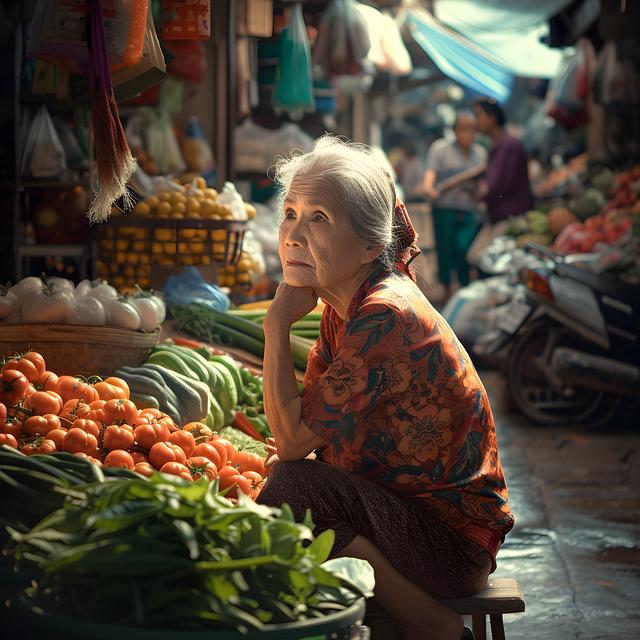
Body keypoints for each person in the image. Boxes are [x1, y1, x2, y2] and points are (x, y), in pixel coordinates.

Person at [258, 136, 514, 640]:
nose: (292, 234)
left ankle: (428, 622)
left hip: (450, 546)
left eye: (319, 218)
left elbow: (291, 438)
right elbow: (308, 426)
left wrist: (275, 325)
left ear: (373, 244)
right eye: (289, 213)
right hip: (412, 522)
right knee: (289, 482)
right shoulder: (344, 309)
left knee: (291, 487)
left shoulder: (384, 314)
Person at [422, 112, 487, 296]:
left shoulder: (480, 153)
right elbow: (430, 176)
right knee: (445, 249)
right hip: (444, 208)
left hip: (468, 209)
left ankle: (465, 286)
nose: (468, 133)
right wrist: (429, 189)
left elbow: (483, 186)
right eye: (464, 128)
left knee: (463, 247)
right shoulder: (440, 149)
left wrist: (479, 192)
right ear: (455, 130)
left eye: (472, 129)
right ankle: (447, 290)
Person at [467, 98, 534, 266]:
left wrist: (479, 193)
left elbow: (496, 186)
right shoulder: (498, 147)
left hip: (511, 218)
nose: (476, 122)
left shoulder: (510, 146)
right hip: (497, 217)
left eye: (478, 115)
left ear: (492, 118)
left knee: (481, 259)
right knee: (474, 256)